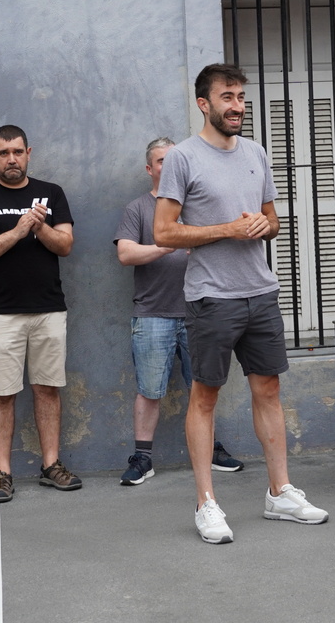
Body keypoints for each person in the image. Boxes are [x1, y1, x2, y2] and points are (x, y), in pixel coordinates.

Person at [154, 63, 329, 544]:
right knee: (205, 396)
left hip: (260, 292)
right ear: (204, 104)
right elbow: (164, 232)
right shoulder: (182, 158)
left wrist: (259, 226)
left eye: (241, 97)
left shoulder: (256, 152)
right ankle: (206, 503)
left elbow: (273, 221)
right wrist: (227, 229)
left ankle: (280, 493)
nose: (237, 106)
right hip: (212, 296)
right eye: (227, 97)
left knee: (268, 389)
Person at [0, 124, 83, 503]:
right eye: (4, 153)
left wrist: (40, 227)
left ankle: (51, 465)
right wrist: (18, 230)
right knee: (2, 393)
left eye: (17, 152)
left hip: (48, 309)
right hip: (0, 313)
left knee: (47, 388)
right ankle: (2, 473)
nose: (11, 159)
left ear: (29, 153)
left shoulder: (52, 193)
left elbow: (65, 245)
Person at [113, 136, 245, 486]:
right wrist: (167, 243)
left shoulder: (198, 205)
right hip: (152, 314)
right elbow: (125, 254)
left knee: (204, 388)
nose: (168, 166)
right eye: (161, 161)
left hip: (200, 311)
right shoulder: (138, 209)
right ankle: (143, 458)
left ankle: (211, 449)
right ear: (149, 168)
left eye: (173, 159)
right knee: (149, 391)